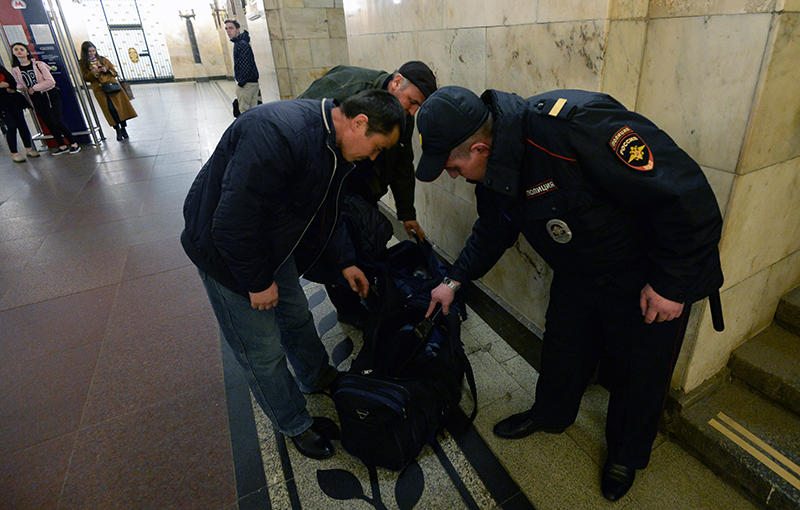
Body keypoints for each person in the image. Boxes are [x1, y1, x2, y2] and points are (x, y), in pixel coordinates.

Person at [414, 86, 724, 502]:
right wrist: (454, 280)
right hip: (580, 271)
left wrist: (671, 284)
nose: (452, 175)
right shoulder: (496, 165)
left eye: (453, 166)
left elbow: (686, 196)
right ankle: (551, 415)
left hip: (644, 273)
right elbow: (494, 227)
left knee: (640, 372)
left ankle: (626, 454)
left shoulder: (575, 128)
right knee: (563, 347)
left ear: (480, 147)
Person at [181, 90, 404, 460]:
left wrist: (346, 261)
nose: (375, 157)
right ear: (359, 123)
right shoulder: (277, 134)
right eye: (378, 147)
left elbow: (325, 210)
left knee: (296, 315)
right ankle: (294, 422)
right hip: (225, 252)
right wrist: (257, 281)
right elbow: (231, 222)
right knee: (263, 349)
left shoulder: (335, 146)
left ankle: (317, 377)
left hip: (269, 240)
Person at [298, 61, 437, 327]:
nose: (412, 112)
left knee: (368, 240)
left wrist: (406, 213)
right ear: (396, 82)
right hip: (332, 181)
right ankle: (348, 309)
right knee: (338, 244)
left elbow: (402, 164)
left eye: (418, 106)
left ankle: (365, 291)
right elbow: (304, 126)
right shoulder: (347, 86)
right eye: (412, 102)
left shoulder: (402, 115)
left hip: (365, 186)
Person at [10, 43, 79, 155]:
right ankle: (62, 145)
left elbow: (50, 81)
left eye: (21, 49)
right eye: (16, 49)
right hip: (36, 97)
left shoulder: (39, 65)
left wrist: (35, 88)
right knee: (48, 121)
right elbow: (19, 84)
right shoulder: (16, 69)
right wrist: (20, 88)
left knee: (56, 120)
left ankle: (73, 143)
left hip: (49, 94)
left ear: (27, 52)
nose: (19, 51)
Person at [78, 41, 137, 141]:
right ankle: (117, 130)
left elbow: (115, 72)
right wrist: (94, 72)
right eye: (89, 51)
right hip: (100, 90)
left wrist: (106, 71)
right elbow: (86, 78)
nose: (92, 53)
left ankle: (124, 129)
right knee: (110, 110)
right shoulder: (83, 64)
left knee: (120, 109)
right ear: (85, 52)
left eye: (93, 50)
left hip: (113, 87)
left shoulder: (103, 59)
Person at [0, 64, 39, 162]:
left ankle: (28, 148)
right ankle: (14, 153)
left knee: (22, 124)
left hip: (13, 101)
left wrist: (7, 85)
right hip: (2, 105)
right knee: (11, 126)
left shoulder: (2, 69)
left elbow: (12, 83)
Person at [224, 19, 260, 114]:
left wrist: (241, 83)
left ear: (238, 29)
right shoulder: (241, 42)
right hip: (251, 82)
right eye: (226, 29)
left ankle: (249, 129)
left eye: (231, 28)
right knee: (253, 110)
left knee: (245, 111)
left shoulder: (241, 44)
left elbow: (246, 65)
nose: (228, 31)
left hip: (247, 84)